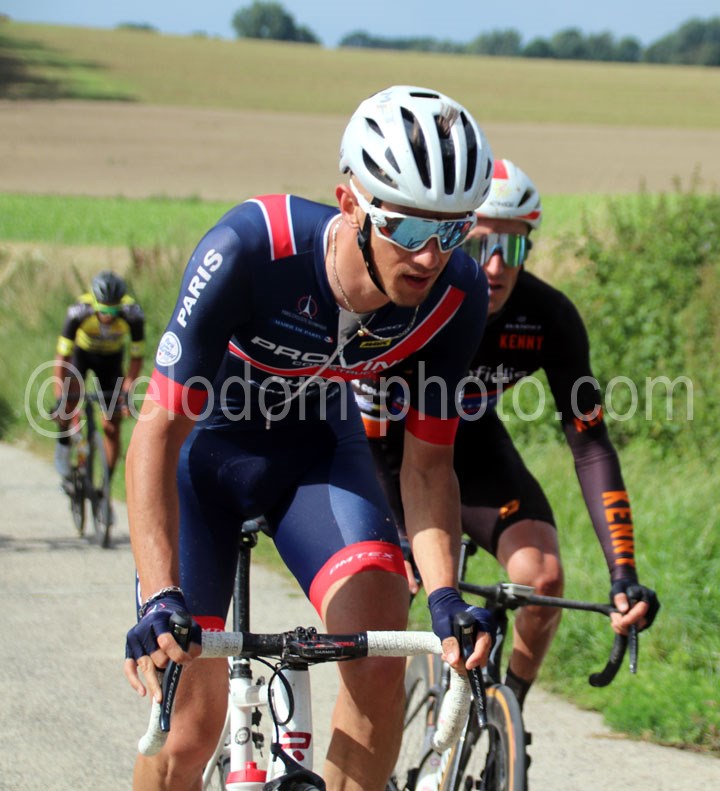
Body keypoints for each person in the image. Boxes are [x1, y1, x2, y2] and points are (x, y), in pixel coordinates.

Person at [123, 85, 498, 791]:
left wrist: (445, 594)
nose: (429, 257)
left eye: (452, 233)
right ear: (350, 202)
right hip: (204, 460)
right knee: (187, 728)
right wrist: (159, 596)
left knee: (382, 655)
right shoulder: (251, 246)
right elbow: (158, 432)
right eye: (408, 229)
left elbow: (427, 467)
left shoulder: (457, 297)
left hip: (318, 457)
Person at [354, 158, 660, 710]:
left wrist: (623, 573)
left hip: (470, 447)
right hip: (384, 455)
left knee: (542, 578)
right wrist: (400, 534)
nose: (495, 266)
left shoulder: (546, 316)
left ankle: (506, 716)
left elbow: (590, 444)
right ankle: (378, 714)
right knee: (390, 591)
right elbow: (373, 436)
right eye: (480, 244)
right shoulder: (411, 303)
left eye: (512, 247)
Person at [53, 270, 145, 485]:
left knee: (112, 426)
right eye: (103, 309)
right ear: (94, 302)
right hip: (82, 356)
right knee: (67, 406)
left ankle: (105, 485)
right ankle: (63, 451)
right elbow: (62, 358)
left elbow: (136, 357)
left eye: (113, 310)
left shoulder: (133, 314)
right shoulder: (78, 312)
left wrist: (127, 391)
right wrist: (60, 397)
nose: (108, 316)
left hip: (111, 361)